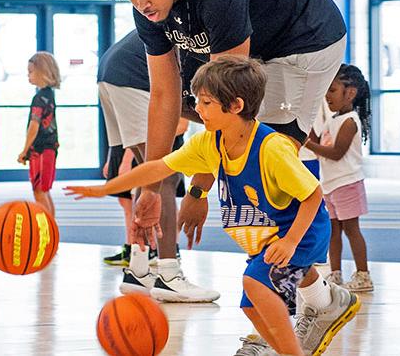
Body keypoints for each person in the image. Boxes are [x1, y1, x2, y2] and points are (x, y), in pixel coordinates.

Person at [67, 58, 359, 356]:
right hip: (272, 237)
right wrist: (106, 188)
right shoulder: (209, 143)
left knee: (256, 284)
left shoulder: (272, 149)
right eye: (197, 101)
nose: (198, 109)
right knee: (251, 307)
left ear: (235, 105)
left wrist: (291, 241)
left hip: (301, 233)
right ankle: (292, 344)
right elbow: (157, 167)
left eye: (206, 102)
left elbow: (313, 195)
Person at [95, 0, 347, 254]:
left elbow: (228, 102)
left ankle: (311, 277)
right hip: (260, 44)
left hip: (306, 39)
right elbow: (163, 97)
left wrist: (199, 191)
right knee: (202, 109)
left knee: (267, 155)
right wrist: (151, 189)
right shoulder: (149, 11)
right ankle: (296, 274)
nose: (142, 3)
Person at [97, 30, 217, 301]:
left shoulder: (193, 20)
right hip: (132, 76)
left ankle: (139, 271)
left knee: (149, 176)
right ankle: (169, 273)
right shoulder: (216, 30)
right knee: (163, 177)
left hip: (112, 71)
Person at [305, 64, 373, 292]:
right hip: (331, 184)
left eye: (332, 90)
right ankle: (335, 273)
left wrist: (309, 144)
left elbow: (335, 153)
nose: (327, 96)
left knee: (351, 229)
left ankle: (363, 275)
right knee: (333, 230)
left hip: (347, 182)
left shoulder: (350, 121)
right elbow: (318, 144)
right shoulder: (333, 119)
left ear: (350, 92)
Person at [17, 52, 60, 216]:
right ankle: (51, 228)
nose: (28, 75)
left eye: (31, 72)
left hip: (41, 150)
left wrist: (24, 150)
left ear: (43, 72)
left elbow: (33, 126)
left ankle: (47, 230)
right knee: (44, 190)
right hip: (48, 148)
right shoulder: (48, 95)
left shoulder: (39, 98)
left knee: (39, 191)